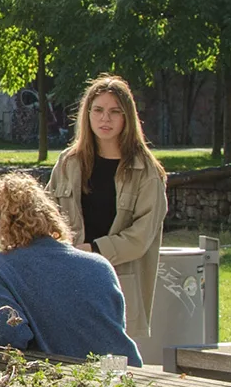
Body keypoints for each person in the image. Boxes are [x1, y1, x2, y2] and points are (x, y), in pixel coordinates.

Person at [44, 75, 167, 353]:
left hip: (119, 284)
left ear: (128, 117)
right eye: (98, 110)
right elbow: (46, 216)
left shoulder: (146, 171)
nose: (105, 119)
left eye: (114, 112)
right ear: (87, 114)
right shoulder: (68, 163)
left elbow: (141, 237)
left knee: (114, 373)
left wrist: (92, 249)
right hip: (70, 279)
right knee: (68, 366)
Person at [0, 173, 142, 365]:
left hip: (69, 380)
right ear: (50, 214)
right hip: (126, 375)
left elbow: (4, 337)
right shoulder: (100, 265)